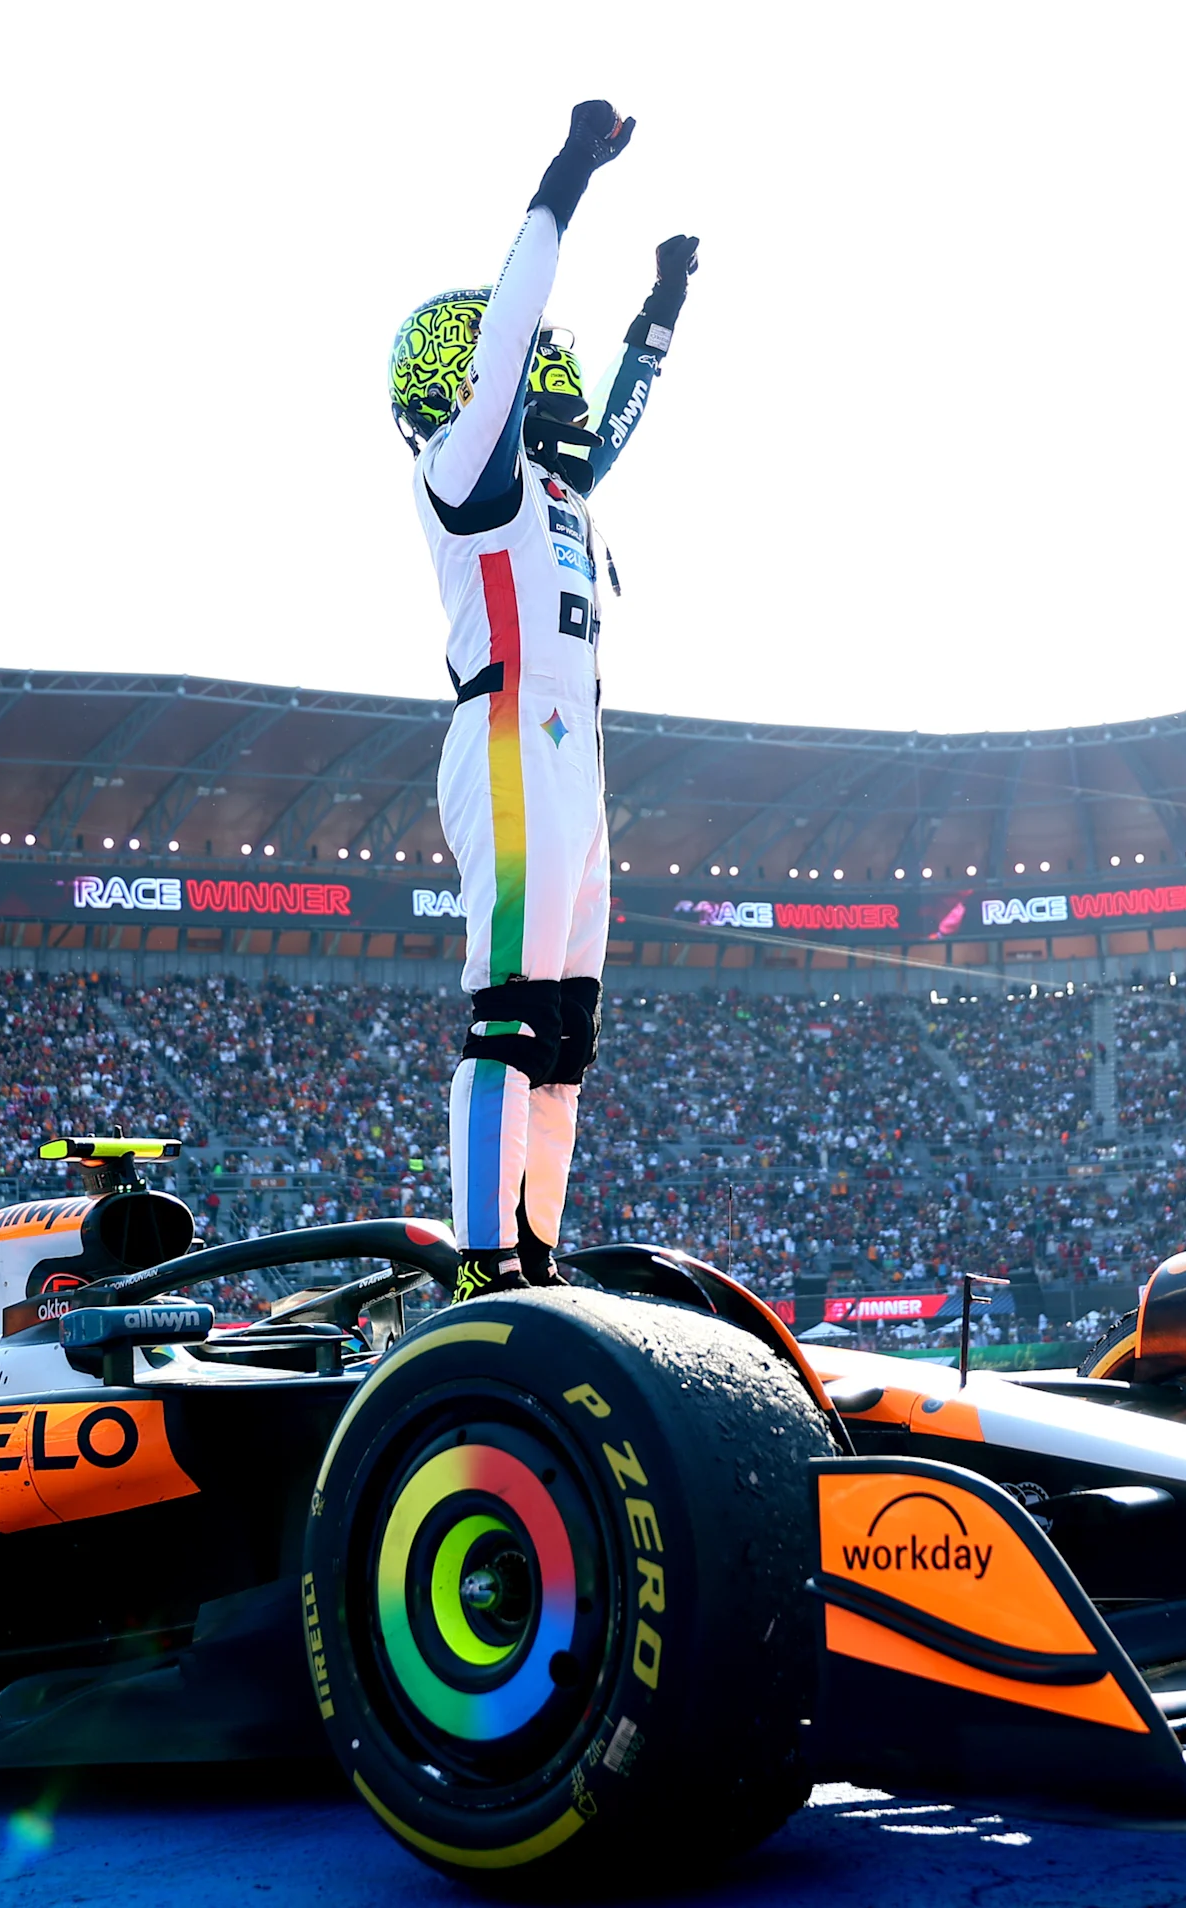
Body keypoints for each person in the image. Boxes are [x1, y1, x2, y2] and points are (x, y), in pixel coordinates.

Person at [390, 101, 697, 1298]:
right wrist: (565, 179)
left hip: (577, 761)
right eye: (533, 369)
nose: (555, 378)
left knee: (563, 1043)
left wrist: (659, 315)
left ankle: (534, 1256)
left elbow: (618, 412)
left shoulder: (563, 498)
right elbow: (514, 335)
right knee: (509, 1018)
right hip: (510, 734)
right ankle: (478, 1266)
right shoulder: (464, 468)